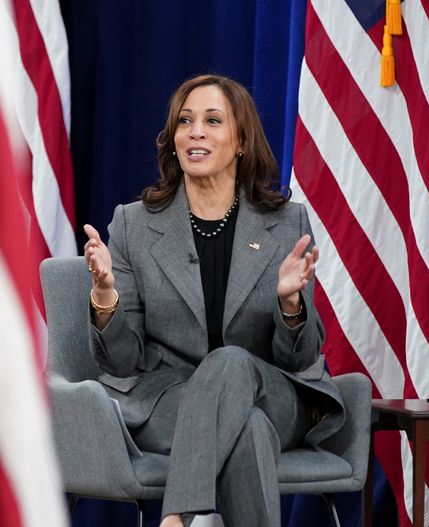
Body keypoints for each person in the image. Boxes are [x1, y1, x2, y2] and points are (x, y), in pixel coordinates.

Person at [82, 74, 345, 527]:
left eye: (212, 120)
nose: (195, 131)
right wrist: (105, 298)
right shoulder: (135, 225)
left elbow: (300, 355)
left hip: (272, 391)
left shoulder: (284, 222)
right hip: (170, 400)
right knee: (249, 431)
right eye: (185, 121)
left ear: (241, 140)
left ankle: (176, 517)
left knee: (230, 363)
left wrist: (289, 304)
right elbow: (122, 364)